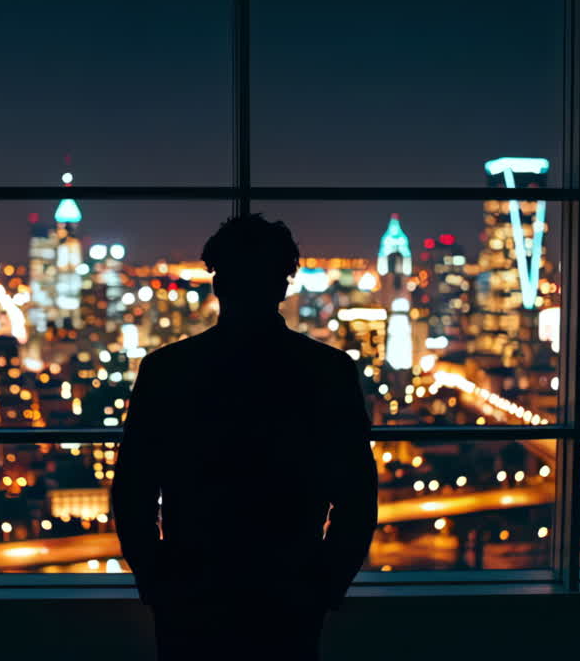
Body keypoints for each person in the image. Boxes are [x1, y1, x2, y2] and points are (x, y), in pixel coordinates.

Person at [111, 214, 379, 661]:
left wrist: (156, 579)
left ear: (217, 284)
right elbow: (357, 492)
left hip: (192, 588)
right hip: (290, 587)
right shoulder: (328, 371)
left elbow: (133, 487)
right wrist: (327, 583)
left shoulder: (168, 370)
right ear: (284, 286)